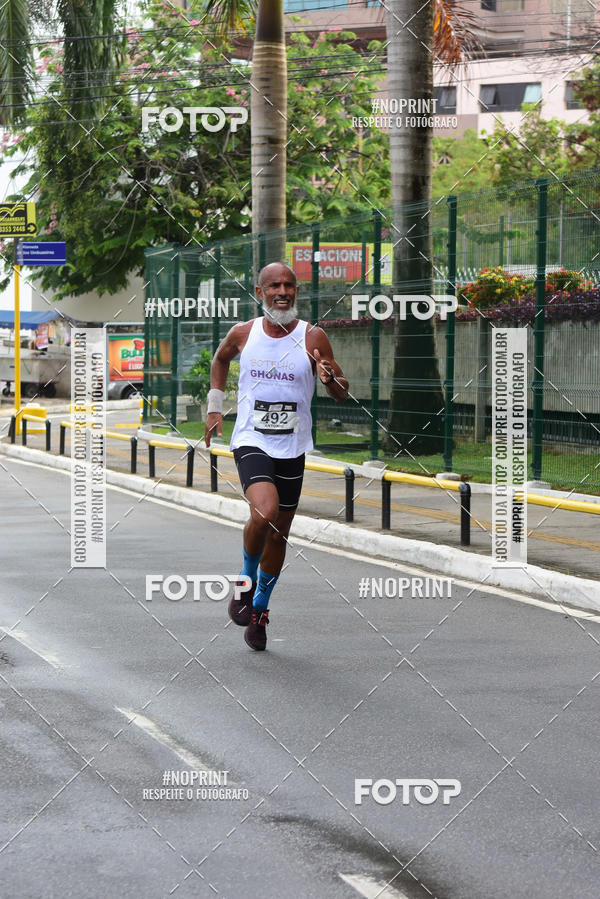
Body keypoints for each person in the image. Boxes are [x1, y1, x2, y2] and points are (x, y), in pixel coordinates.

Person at [204, 261, 349, 651]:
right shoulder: (243, 333)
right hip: (252, 438)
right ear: (260, 292)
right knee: (264, 512)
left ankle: (261, 611)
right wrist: (214, 407)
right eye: (274, 286)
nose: (282, 291)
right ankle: (245, 582)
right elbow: (220, 360)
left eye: (288, 285)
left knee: (280, 532)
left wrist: (331, 377)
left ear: (296, 292)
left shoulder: (312, 336)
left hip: (293, 444)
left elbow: (340, 390)